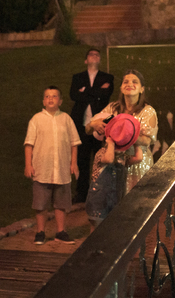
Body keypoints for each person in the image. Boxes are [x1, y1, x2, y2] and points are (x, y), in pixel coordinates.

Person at [86, 69, 157, 224]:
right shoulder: (112, 108)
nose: (129, 84)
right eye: (126, 81)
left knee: (135, 212)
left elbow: (146, 141)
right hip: (113, 163)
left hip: (137, 163)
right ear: (121, 87)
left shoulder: (147, 111)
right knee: (112, 208)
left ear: (142, 89)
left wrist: (123, 133)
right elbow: (88, 129)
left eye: (134, 82)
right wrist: (94, 124)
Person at [24, 85, 81, 244]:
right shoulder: (36, 119)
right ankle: (40, 232)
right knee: (41, 203)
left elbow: (74, 143)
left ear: (60, 101)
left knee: (61, 203)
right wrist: (28, 165)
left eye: (54, 96)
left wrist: (73, 163)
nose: (51, 99)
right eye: (47, 96)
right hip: (42, 169)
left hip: (61, 169)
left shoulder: (66, 119)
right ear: (43, 101)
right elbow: (29, 144)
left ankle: (60, 232)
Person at [69, 48, 115, 202]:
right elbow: (73, 95)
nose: (94, 56)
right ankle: (82, 193)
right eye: (91, 54)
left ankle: (100, 191)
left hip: (100, 126)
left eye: (97, 55)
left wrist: (84, 92)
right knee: (82, 159)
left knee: (101, 158)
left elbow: (105, 94)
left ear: (100, 60)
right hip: (82, 125)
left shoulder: (107, 77)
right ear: (86, 60)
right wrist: (96, 92)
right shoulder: (77, 77)